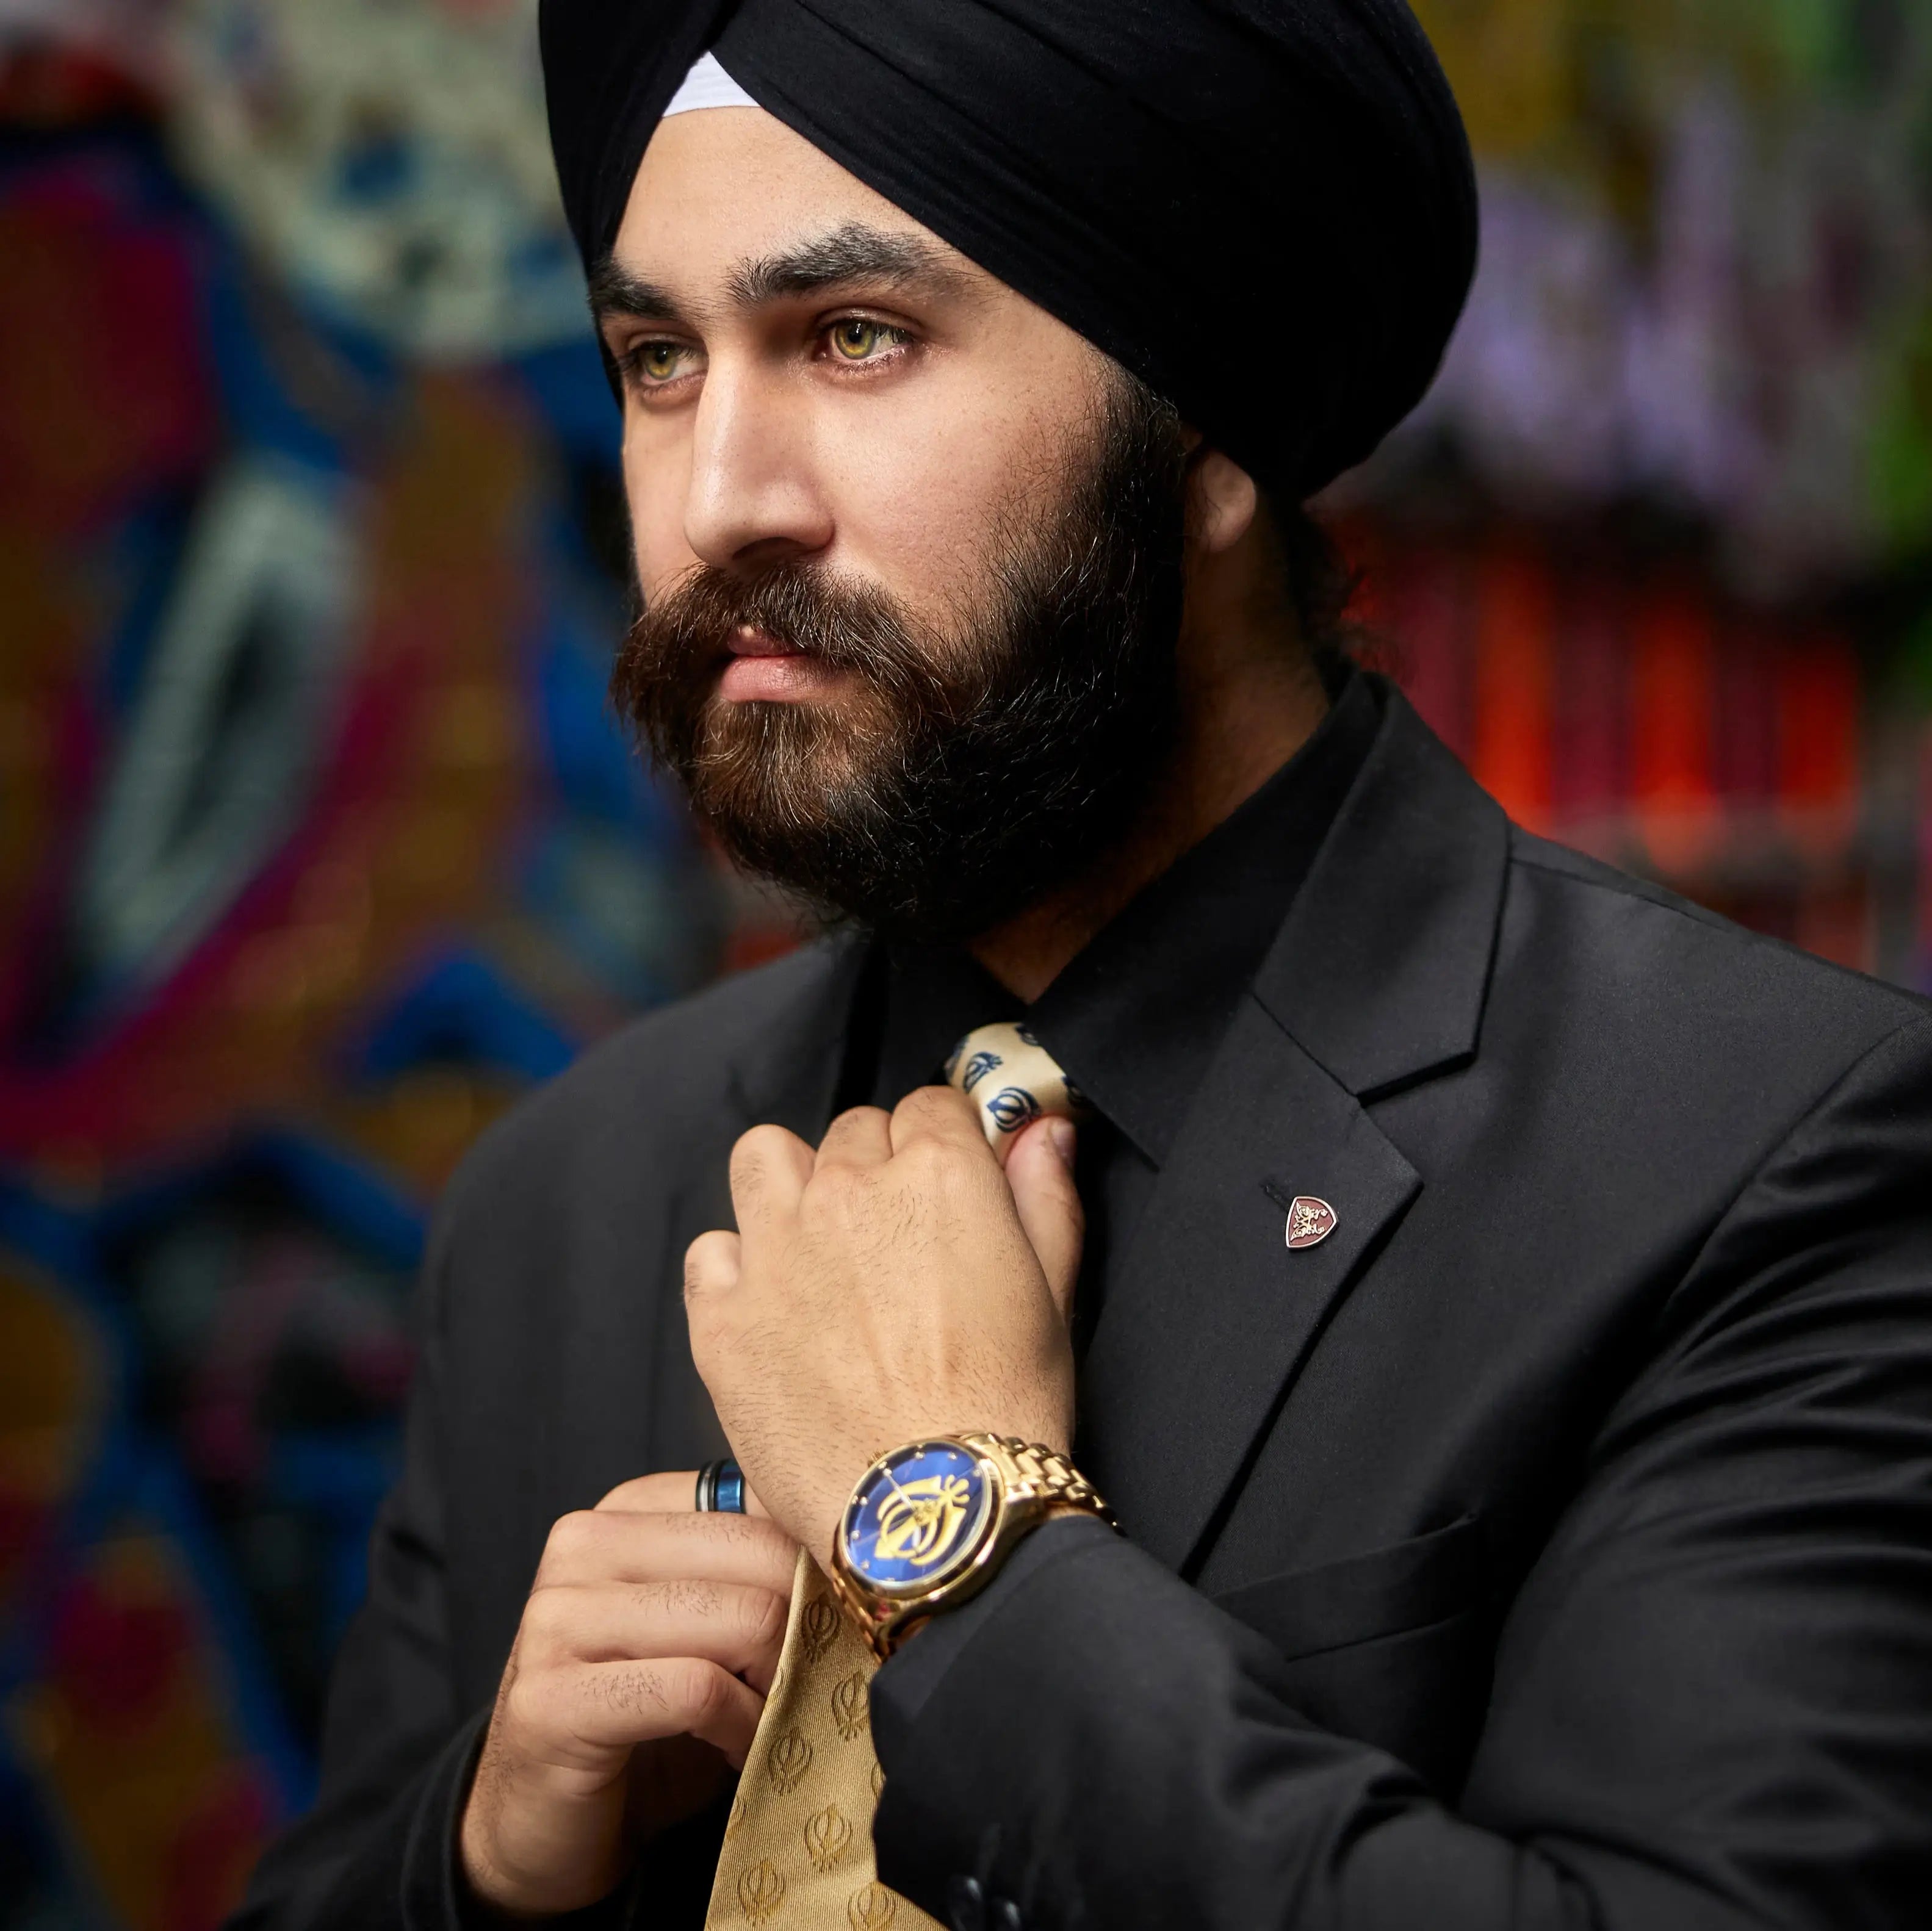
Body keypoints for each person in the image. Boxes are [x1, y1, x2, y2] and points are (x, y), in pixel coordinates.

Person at [233, 5, 1932, 1929]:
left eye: (854, 339)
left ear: (1206, 423)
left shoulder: (1763, 1160)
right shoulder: (574, 1198)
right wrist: (488, 1853)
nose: (719, 499)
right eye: (657, 360)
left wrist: (960, 1553)